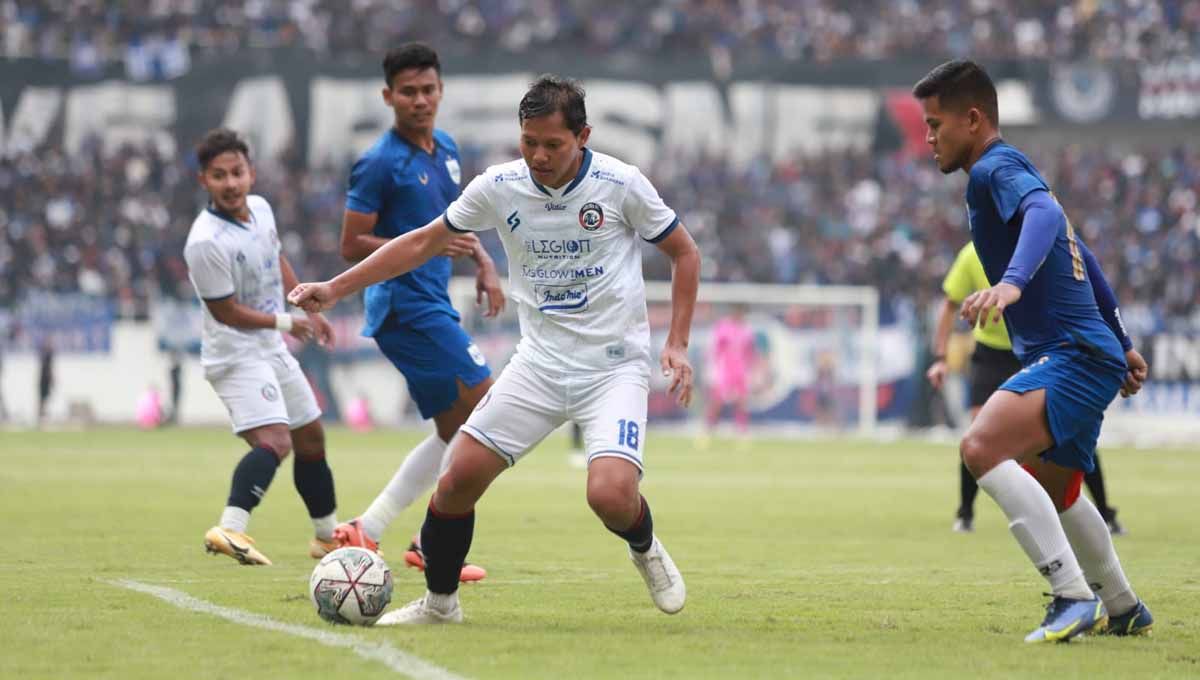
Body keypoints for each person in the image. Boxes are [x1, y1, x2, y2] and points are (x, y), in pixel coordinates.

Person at [290, 74, 701, 625]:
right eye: (529, 142)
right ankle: (440, 606)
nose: (538, 155)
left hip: (612, 367)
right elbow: (420, 242)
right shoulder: (500, 186)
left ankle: (646, 548)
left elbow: (684, 252)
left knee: (609, 496)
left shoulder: (620, 183)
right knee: (456, 480)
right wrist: (334, 288)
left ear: (583, 136)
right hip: (539, 364)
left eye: (553, 144)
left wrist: (676, 342)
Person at [913, 59, 1153, 642]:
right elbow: (1084, 255)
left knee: (979, 446)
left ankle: (1071, 596)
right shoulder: (1009, 170)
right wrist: (1122, 343)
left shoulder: (992, 167)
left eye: (935, 124)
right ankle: (1122, 605)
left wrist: (1012, 282)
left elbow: (1046, 216)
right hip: (1089, 351)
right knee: (1054, 484)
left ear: (973, 120)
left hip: (1070, 353)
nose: (929, 137)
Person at [329, 43, 504, 584]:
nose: (420, 100)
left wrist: (480, 259)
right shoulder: (380, 162)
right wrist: (427, 249)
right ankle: (427, 538)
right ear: (389, 97)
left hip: (430, 301)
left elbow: (450, 224)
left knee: (458, 428)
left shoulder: (445, 149)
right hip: (402, 303)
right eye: (408, 92)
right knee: (489, 410)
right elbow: (351, 243)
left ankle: (373, 527)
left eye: (428, 89)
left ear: (441, 90)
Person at [183, 128, 339, 566]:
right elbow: (226, 312)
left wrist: (309, 305)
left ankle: (328, 538)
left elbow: (277, 259)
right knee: (275, 440)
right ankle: (230, 528)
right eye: (219, 176)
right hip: (234, 353)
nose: (230, 183)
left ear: (251, 173)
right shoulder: (205, 242)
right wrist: (289, 322)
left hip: (269, 346)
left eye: (237, 172)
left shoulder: (262, 210)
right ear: (204, 182)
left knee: (310, 436)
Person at [928, 242, 1126, 535]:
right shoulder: (971, 253)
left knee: (1069, 430)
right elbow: (950, 303)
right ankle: (966, 512)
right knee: (977, 432)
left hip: (1040, 351)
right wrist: (941, 358)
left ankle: (1105, 512)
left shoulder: (1042, 246)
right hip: (992, 354)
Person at [700, 305, 754, 446]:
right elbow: (715, 349)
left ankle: (742, 432)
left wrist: (751, 368)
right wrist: (712, 368)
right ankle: (707, 431)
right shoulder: (723, 327)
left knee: (741, 402)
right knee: (716, 403)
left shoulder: (746, 330)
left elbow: (750, 351)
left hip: (740, 372)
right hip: (725, 371)